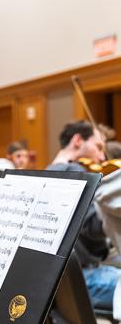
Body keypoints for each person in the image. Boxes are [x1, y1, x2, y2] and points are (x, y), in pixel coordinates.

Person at [47, 120, 117, 311]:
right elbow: (94, 228)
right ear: (77, 140)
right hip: (86, 277)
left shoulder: (46, 173)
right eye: (98, 146)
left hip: (59, 283)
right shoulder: (76, 174)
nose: (102, 156)